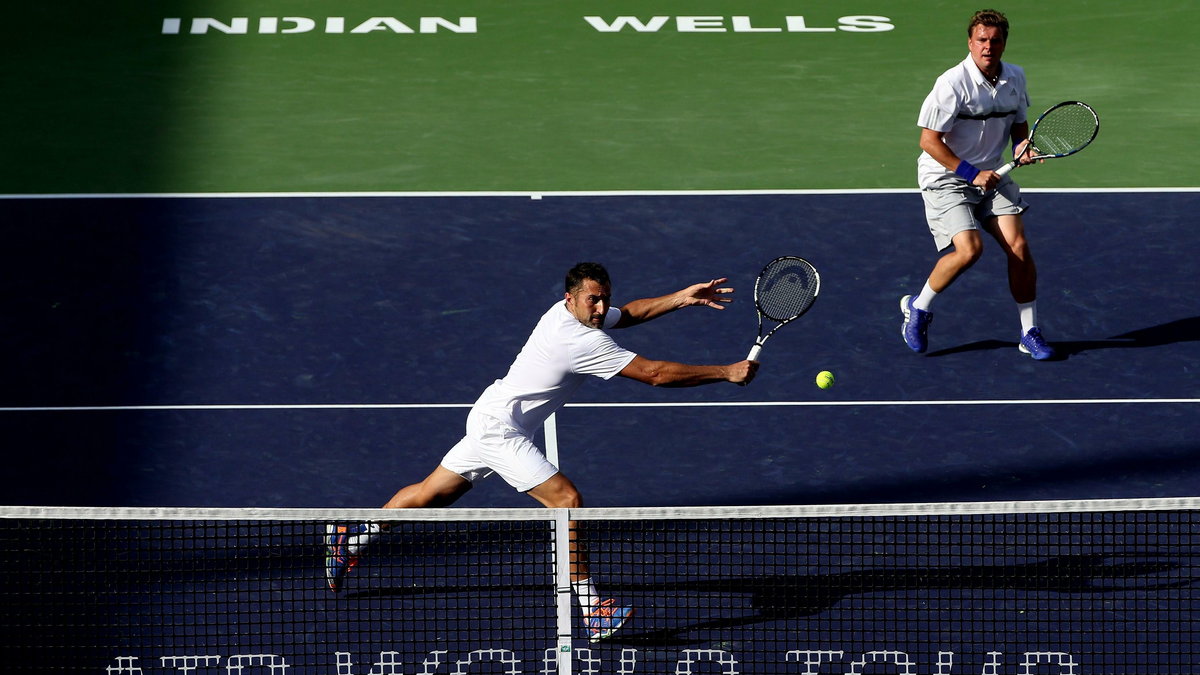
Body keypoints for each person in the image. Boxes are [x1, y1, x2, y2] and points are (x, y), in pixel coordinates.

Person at [325, 262, 758, 641]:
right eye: (592, 300)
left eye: (603, 299)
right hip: (501, 430)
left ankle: (352, 536)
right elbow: (656, 374)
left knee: (429, 495)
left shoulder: (571, 315)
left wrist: (681, 298)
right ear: (570, 298)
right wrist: (726, 372)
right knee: (566, 501)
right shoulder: (581, 341)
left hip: (492, 415)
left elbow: (630, 313)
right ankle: (593, 609)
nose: (599, 308)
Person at [900, 8, 1056, 360]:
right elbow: (929, 141)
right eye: (982, 40)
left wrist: (1021, 146)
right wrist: (971, 173)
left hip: (994, 174)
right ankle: (918, 307)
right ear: (970, 43)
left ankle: (1029, 331)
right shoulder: (952, 83)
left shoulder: (1015, 77)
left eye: (995, 40)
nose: (988, 46)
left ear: (1004, 43)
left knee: (1019, 248)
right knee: (969, 250)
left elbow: (1019, 124)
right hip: (947, 177)